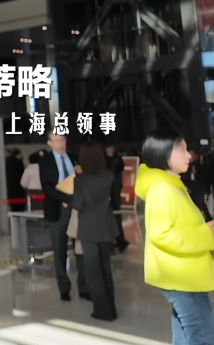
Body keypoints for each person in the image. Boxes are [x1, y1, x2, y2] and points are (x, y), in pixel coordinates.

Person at [136, 131, 214, 345]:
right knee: (201, 333)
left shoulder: (172, 184)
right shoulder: (163, 189)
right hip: (180, 275)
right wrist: (206, 233)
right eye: (181, 149)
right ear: (163, 154)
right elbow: (162, 234)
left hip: (184, 273)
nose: (188, 155)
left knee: (186, 329)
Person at [38, 129, 87, 301]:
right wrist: (65, 198)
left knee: (80, 248)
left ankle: (84, 287)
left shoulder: (73, 158)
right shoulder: (45, 161)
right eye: (57, 140)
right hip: (58, 209)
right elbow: (46, 186)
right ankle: (64, 287)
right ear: (49, 143)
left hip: (76, 208)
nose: (61, 144)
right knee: (60, 250)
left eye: (63, 140)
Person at [71, 142, 118, 321]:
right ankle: (111, 308)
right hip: (106, 225)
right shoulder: (109, 175)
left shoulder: (80, 180)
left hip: (88, 228)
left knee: (93, 270)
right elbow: (115, 201)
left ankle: (102, 310)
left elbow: (78, 204)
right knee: (105, 268)